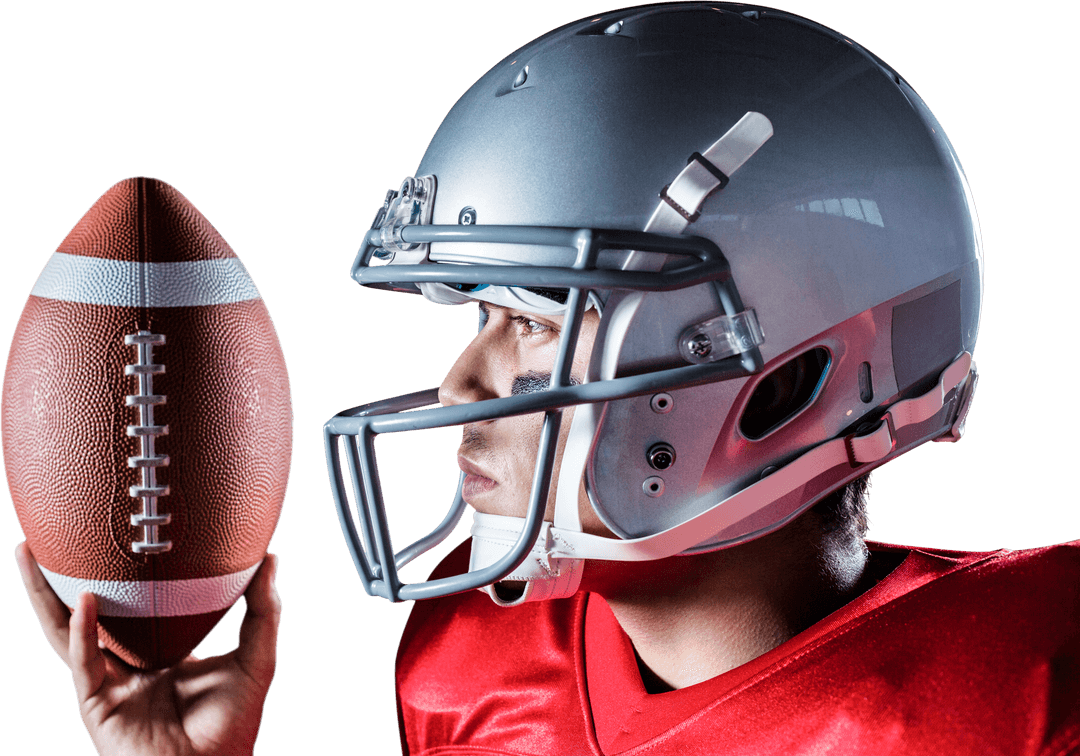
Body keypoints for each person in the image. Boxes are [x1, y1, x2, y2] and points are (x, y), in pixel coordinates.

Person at [14, 3, 1080, 754]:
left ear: (788, 376)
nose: (458, 389)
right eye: (482, 317)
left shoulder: (1031, 698)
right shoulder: (471, 671)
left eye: (533, 327)